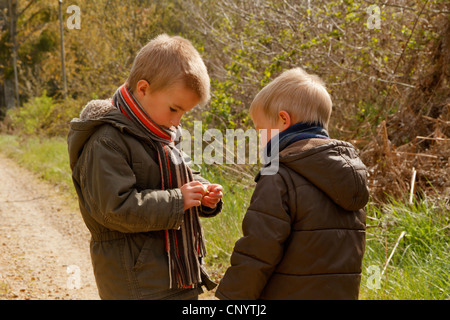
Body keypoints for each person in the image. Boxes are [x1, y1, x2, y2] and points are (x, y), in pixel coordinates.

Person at [67, 34, 223, 300]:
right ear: (143, 89)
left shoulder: (161, 132)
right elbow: (113, 209)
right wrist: (178, 200)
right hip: (135, 281)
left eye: (184, 113)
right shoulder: (107, 140)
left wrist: (202, 193)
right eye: (174, 109)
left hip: (178, 271)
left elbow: (177, 176)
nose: (177, 120)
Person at [215, 67, 369, 300]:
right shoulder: (349, 176)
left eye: (260, 130)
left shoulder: (279, 175)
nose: (260, 139)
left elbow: (257, 252)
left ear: (283, 120)